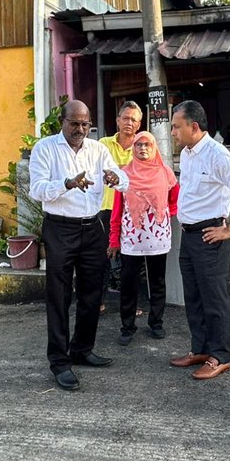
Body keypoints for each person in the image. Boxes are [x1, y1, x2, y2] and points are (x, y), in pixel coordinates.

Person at [29, 99, 128, 392]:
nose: (81, 129)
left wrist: (115, 177)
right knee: (59, 296)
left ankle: (82, 349)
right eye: (75, 123)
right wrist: (67, 183)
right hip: (60, 227)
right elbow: (36, 189)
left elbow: (123, 179)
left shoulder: (98, 150)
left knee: (92, 292)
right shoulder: (45, 148)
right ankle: (60, 361)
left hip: (91, 226)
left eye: (86, 124)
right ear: (63, 121)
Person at [169, 100, 230, 380]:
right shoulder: (188, 153)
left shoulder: (218, 155)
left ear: (194, 127)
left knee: (214, 299)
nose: (172, 132)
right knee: (193, 297)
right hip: (189, 235)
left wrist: (229, 229)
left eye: (176, 126)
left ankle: (220, 356)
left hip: (210, 237)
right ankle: (201, 350)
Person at [108, 131, 179, 345]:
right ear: (133, 148)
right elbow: (117, 210)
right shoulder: (124, 175)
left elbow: (175, 200)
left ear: (154, 147)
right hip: (131, 238)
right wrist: (113, 239)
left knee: (157, 281)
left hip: (157, 237)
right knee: (129, 283)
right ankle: (127, 327)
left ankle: (156, 323)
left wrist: (162, 218)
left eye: (147, 144)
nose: (143, 149)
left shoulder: (165, 172)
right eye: (138, 145)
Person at [99, 101, 143, 307]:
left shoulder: (142, 147)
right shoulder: (103, 144)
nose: (129, 122)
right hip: (104, 210)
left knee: (130, 263)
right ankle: (97, 303)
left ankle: (129, 307)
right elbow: (98, 170)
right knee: (100, 260)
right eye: (125, 118)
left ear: (139, 124)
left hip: (132, 212)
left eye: (133, 119)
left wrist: (118, 170)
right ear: (117, 120)